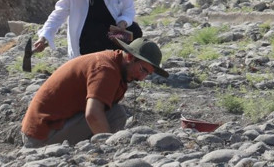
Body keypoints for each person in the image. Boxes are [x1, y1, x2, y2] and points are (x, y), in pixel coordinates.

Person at [21, 38, 168, 147]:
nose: (142, 78)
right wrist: (109, 146)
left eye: (147, 74)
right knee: (116, 115)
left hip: (45, 129)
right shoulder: (106, 69)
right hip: (40, 137)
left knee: (115, 113)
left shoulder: (114, 63)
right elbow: (93, 114)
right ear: (129, 57)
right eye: (142, 70)